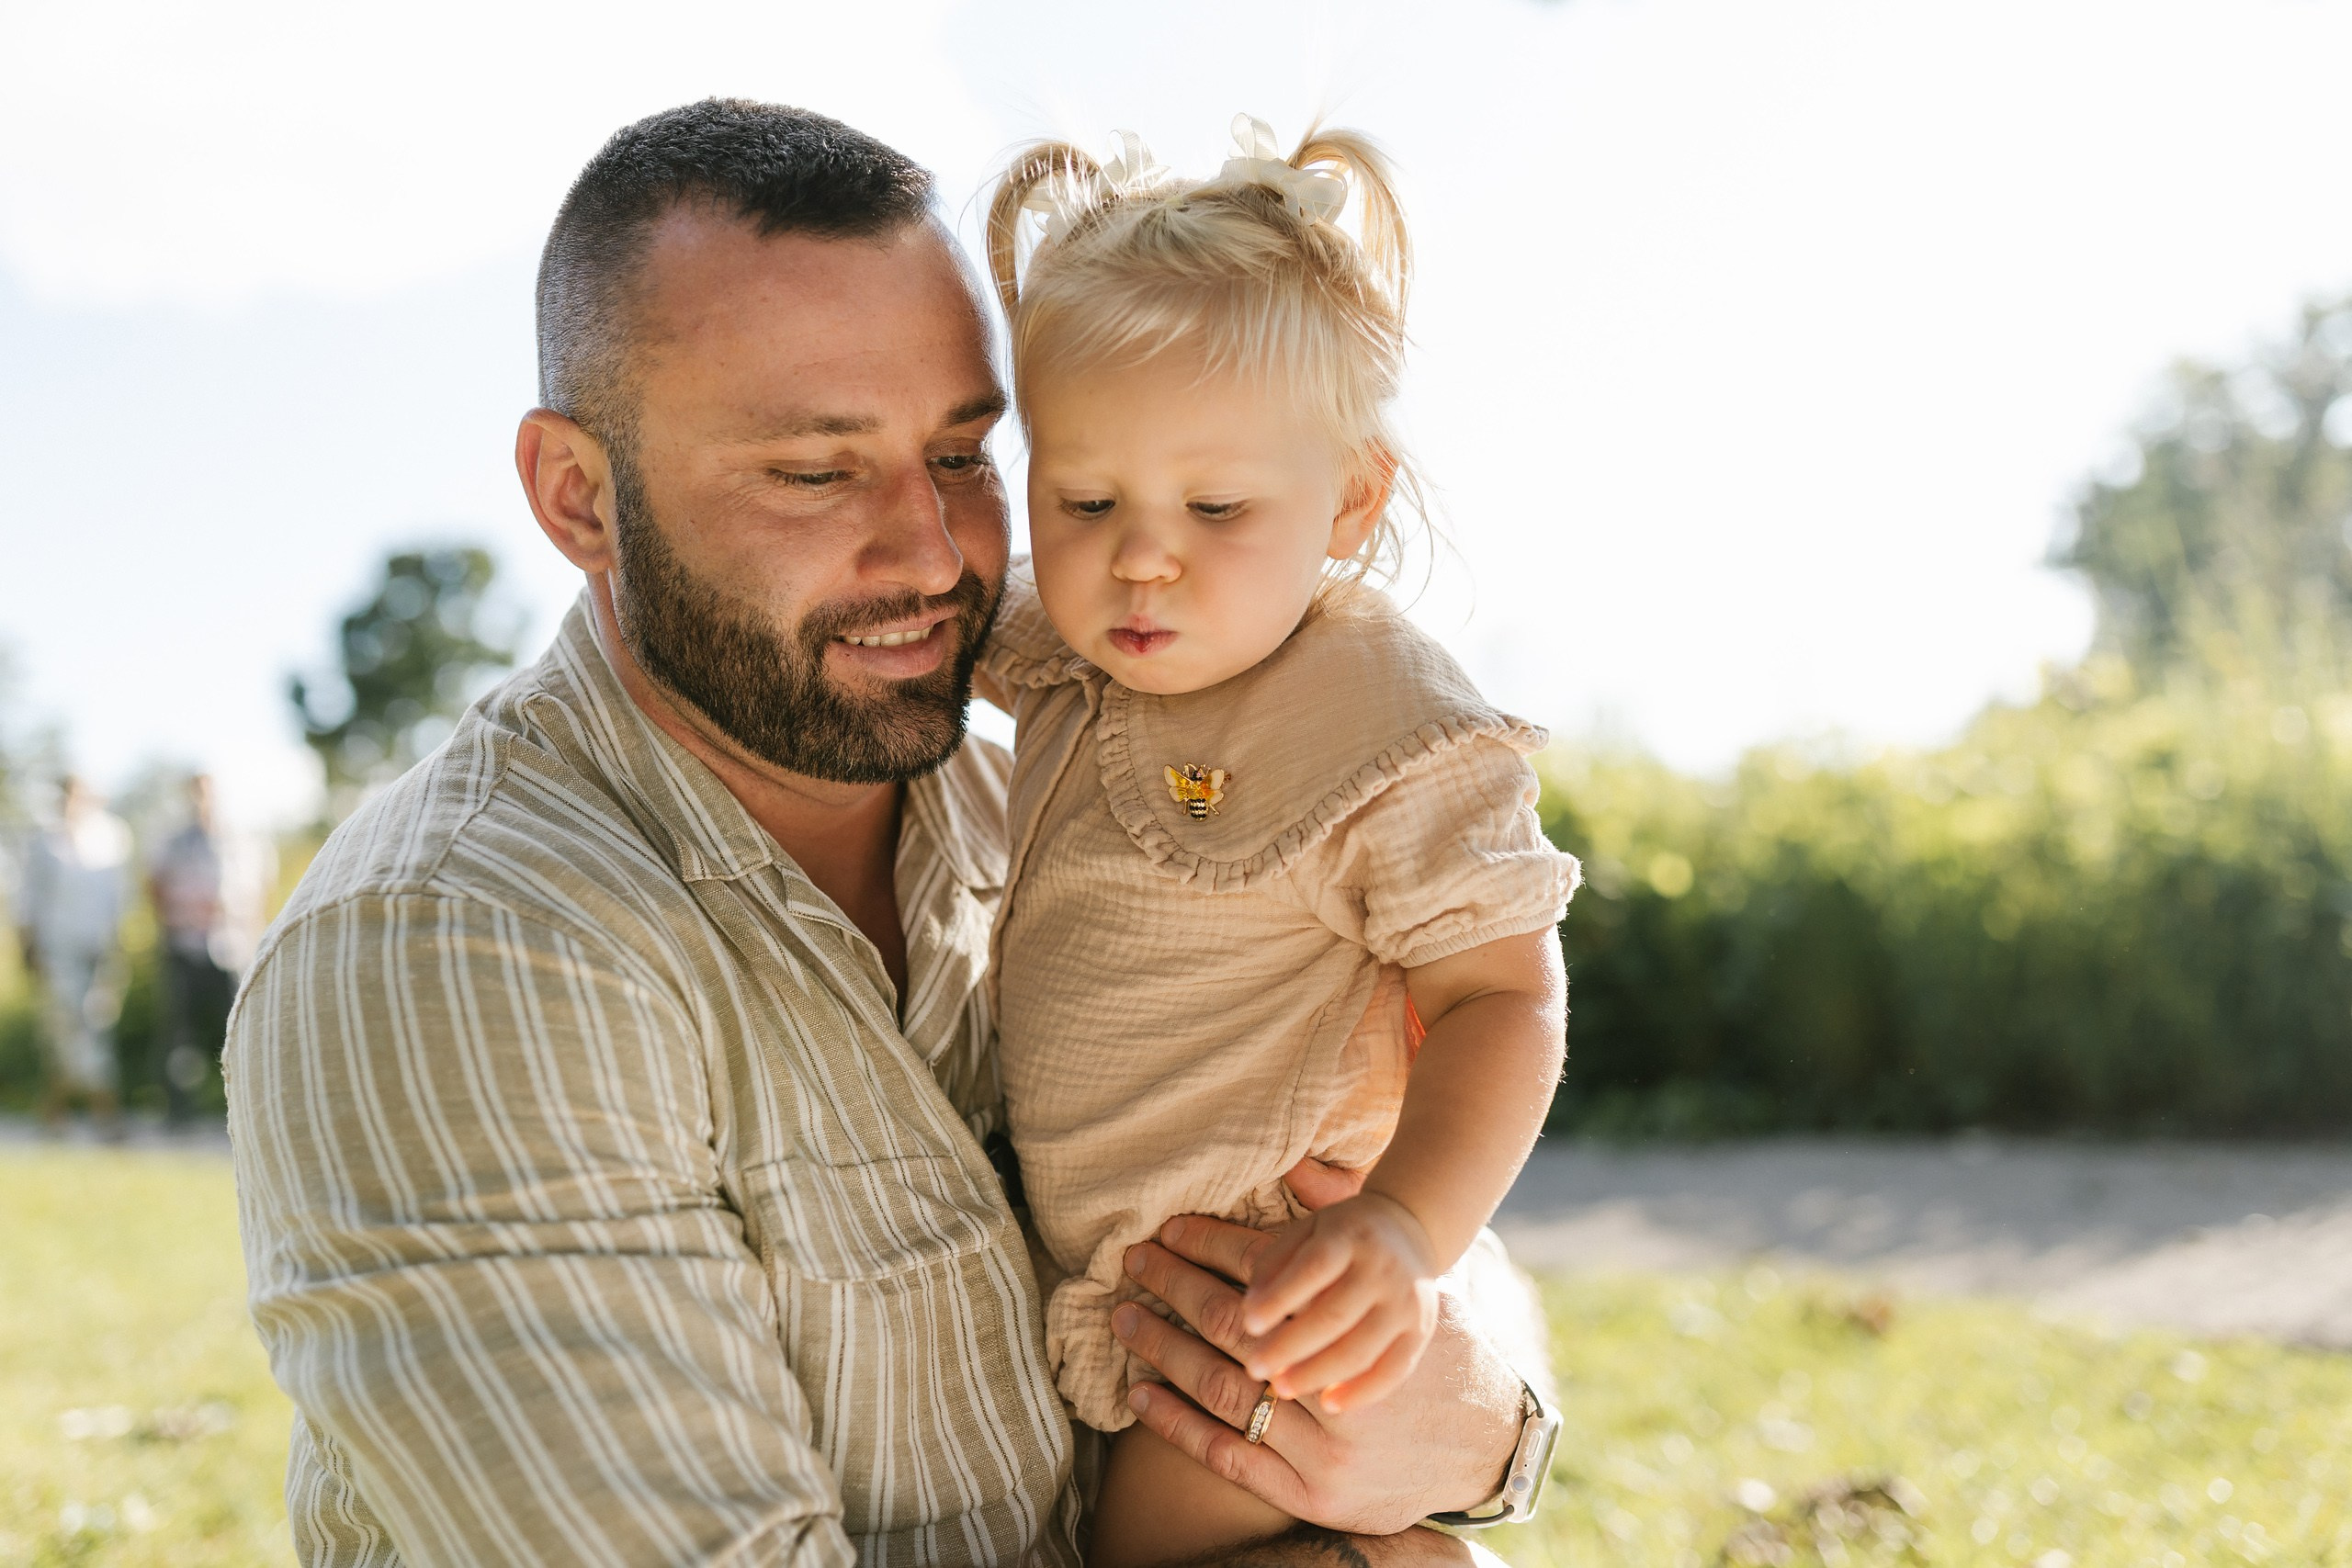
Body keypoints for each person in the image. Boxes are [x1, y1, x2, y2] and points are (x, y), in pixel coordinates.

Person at [228, 99, 1541, 1568]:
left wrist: (1486, 1434)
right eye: (816, 470)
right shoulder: (459, 951)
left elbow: (1423, 1206)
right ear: (578, 497)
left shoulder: (1054, 794)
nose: (934, 552)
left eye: (968, 457)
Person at [977, 119, 1578, 1566]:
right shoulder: (1069, 653)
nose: (1142, 553)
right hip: (1129, 1295)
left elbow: (1504, 998)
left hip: (1268, 1304)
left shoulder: (1385, 723)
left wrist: (1401, 1231)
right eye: (1085, 498)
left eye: (1218, 506)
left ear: (1351, 501)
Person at [147, 773, 272, 1123]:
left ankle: (244, 1108)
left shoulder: (241, 841)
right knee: (178, 1034)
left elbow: (261, 888)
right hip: (185, 947)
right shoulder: (172, 843)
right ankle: (178, 1112)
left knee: (238, 1027)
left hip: (230, 947)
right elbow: (154, 885)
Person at [18, 775, 132, 1134]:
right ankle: (106, 1113)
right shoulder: (43, 842)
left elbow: (121, 897)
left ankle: (52, 1112)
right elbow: (28, 899)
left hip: (100, 947)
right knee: (73, 1024)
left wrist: (121, 946)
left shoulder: (112, 838)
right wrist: (28, 946)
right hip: (57, 947)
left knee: (94, 1023)